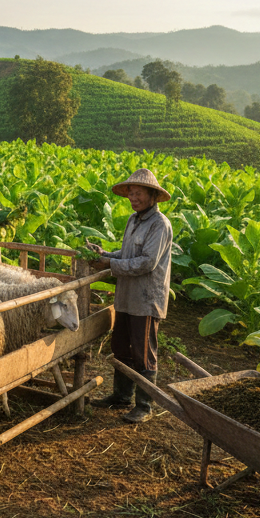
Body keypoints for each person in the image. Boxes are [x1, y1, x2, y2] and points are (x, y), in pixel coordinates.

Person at [86, 168, 173, 423]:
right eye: (131, 193)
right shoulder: (133, 220)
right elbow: (126, 254)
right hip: (126, 296)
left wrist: (109, 264)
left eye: (138, 194)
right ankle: (122, 396)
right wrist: (104, 254)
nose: (133, 198)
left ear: (152, 196)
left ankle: (144, 406)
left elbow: (147, 262)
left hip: (146, 299)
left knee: (143, 353)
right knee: (121, 347)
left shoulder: (159, 224)